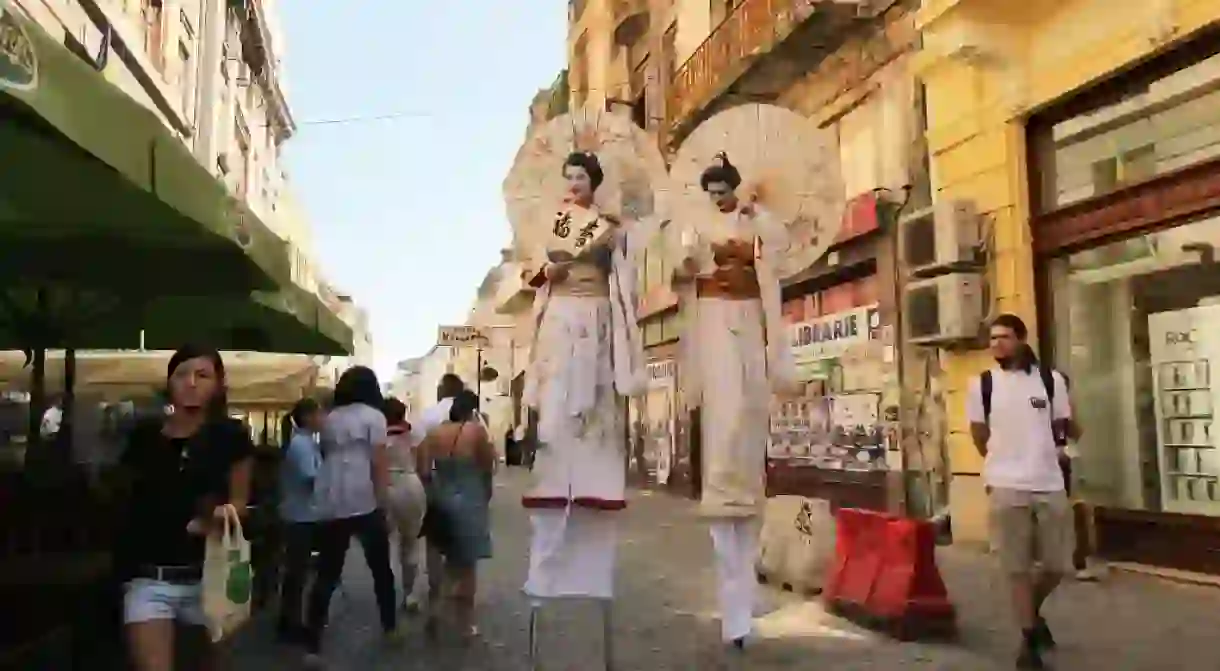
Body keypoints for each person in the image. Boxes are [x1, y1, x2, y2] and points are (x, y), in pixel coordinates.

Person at [520, 151, 646, 662]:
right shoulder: (549, 220)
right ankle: (555, 467)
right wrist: (546, 269)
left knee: (592, 396)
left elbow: (626, 280)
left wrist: (617, 245)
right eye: (568, 176)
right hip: (559, 313)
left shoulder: (610, 227)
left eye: (581, 177)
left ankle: (591, 466)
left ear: (594, 183)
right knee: (555, 398)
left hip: (594, 313)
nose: (573, 183)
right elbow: (530, 273)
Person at [670, 152, 796, 649]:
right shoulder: (696, 224)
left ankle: (742, 610)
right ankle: (734, 614)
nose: (719, 195)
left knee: (748, 410)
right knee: (724, 423)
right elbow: (682, 269)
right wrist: (701, 264)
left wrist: (756, 217)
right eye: (713, 188)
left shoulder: (754, 219)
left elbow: (780, 249)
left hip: (749, 318)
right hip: (714, 318)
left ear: (734, 187)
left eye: (725, 187)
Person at [112, 346, 254, 671]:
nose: (191, 383)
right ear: (169, 382)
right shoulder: (144, 437)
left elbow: (240, 501)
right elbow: (126, 496)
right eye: (181, 374)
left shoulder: (231, 436)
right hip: (148, 579)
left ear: (218, 384)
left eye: (202, 375)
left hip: (211, 578)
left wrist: (217, 517)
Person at [967, 314, 1075, 670]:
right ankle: (1029, 642)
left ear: (1022, 339)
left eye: (1004, 337)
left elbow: (1063, 426)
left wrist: (1058, 449)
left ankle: (1033, 610)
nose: (996, 344)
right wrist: (1001, 464)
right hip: (1005, 485)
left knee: (1058, 564)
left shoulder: (1050, 380)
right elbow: (979, 435)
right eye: (992, 338)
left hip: (1049, 482)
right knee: (1016, 568)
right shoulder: (982, 384)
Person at [303, 366, 399, 660]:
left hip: (331, 499)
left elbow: (326, 456)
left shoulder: (330, 418)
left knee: (327, 573)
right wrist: (384, 503)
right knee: (380, 568)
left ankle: (313, 642)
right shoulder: (374, 418)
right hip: (363, 498)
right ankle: (390, 626)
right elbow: (379, 464)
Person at [416, 389, 495, 641]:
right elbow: (487, 466)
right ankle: (466, 624)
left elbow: (424, 470)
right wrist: (486, 494)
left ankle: (437, 609)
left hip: (443, 497)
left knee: (450, 560)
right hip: (469, 498)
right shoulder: (475, 431)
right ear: (472, 410)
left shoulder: (434, 433)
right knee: (468, 564)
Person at [276, 397, 324, 643]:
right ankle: (290, 622)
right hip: (299, 516)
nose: (323, 418)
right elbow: (311, 477)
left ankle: (290, 619)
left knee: (298, 571)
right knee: (297, 572)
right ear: (307, 417)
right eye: (319, 414)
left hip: (303, 514)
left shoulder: (307, 443)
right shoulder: (302, 445)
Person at [382, 397, 427, 612]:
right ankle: (409, 594)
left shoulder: (378, 435)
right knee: (410, 542)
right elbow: (424, 464)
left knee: (383, 544)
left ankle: (386, 591)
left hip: (385, 485)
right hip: (410, 483)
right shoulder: (414, 433)